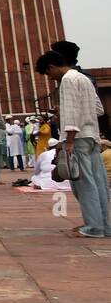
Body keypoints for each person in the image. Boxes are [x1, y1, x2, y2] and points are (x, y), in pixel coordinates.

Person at [37, 49, 111, 238]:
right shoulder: (83, 78)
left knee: (84, 184)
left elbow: (71, 115)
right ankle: (105, 225)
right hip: (92, 136)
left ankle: (94, 227)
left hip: (77, 139)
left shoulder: (67, 80)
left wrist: (68, 141)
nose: (50, 77)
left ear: (52, 67)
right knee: (99, 183)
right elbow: (99, 109)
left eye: (48, 73)